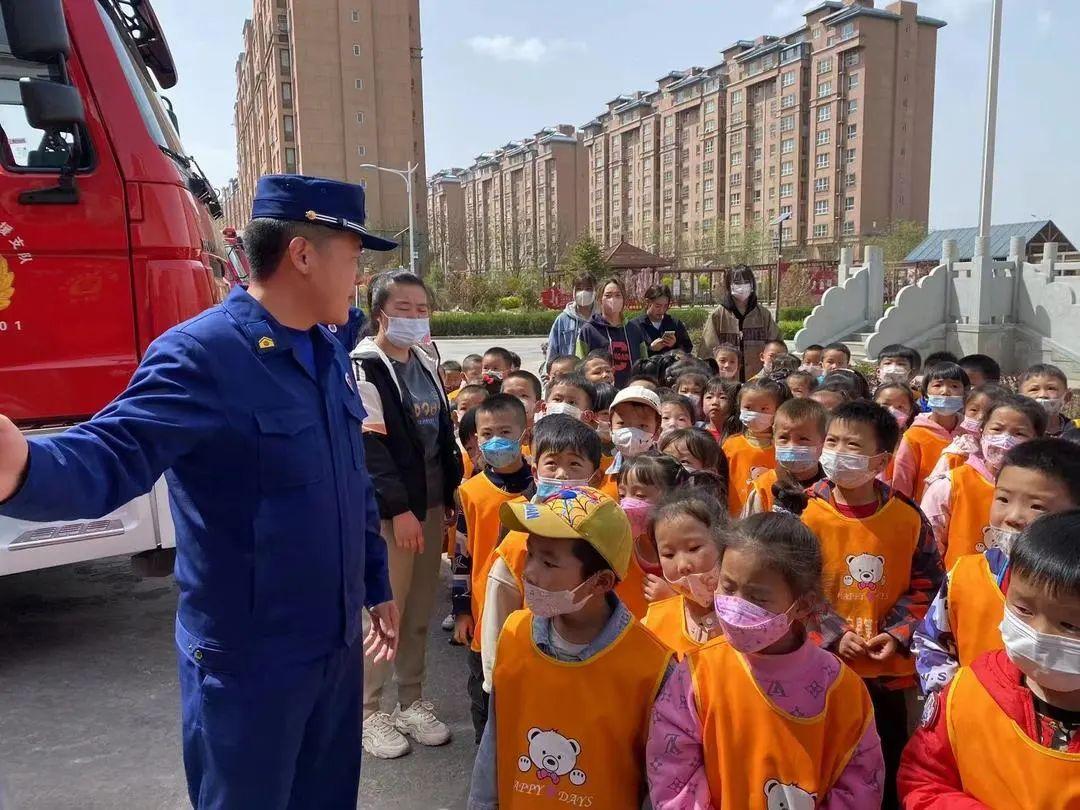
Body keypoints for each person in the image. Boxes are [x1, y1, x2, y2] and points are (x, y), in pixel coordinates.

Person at [0, 175, 401, 806]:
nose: (358, 279)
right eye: (352, 258)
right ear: (302, 254)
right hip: (251, 667)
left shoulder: (325, 350)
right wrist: (21, 467)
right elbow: (115, 451)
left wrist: (375, 586)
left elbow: (349, 484)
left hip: (334, 649)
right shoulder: (204, 355)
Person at [647, 510, 885, 809]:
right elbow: (672, 775)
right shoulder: (697, 675)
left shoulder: (841, 688)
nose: (736, 606)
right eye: (728, 587)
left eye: (758, 597)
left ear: (803, 605)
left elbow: (859, 785)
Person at [468, 487, 673, 810]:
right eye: (531, 553)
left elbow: (658, 785)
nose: (530, 572)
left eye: (549, 563)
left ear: (601, 582)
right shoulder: (513, 634)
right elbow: (494, 744)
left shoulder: (652, 667)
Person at [800, 400, 943, 810]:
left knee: (883, 765)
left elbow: (928, 587)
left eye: (853, 445)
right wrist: (833, 633)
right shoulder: (805, 512)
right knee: (821, 767)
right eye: (832, 441)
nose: (838, 451)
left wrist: (897, 634)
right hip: (819, 668)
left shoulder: (907, 517)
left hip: (886, 676)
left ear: (880, 459)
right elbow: (792, 584)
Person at [898, 509, 1080, 805]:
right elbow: (923, 779)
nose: (1039, 634)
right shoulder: (970, 692)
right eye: (1024, 610)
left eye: (1071, 625)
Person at [354, 269, 463, 759]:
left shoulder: (425, 356)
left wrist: (453, 490)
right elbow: (370, 447)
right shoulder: (365, 365)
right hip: (395, 513)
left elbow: (442, 431)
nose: (415, 318)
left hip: (433, 502)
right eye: (404, 309)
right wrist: (398, 510)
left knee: (419, 609)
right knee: (386, 611)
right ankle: (367, 709)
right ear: (380, 312)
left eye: (422, 309)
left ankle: (411, 700)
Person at [913, 438, 1080, 694]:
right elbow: (931, 641)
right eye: (1002, 499)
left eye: (1037, 506)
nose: (1013, 517)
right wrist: (952, 695)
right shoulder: (964, 575)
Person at [478, 415, 605, 692]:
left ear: (595, 477)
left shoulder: (608, 535)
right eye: (552, 463)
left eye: (574, 464)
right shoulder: (516, 543)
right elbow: (497, 618)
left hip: (598, 676)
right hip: (529, 675)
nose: (561, 474)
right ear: (535, 472)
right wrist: (494, 681)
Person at [453, 394, 533, 743]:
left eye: (505, 430)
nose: (495, 439)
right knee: (484, 698)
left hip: (533, 612)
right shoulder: (470, 491)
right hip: (484, 613)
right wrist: (460, 610)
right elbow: (461, 554)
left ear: (524, 432)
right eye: (486, 434)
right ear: (475, 439)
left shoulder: (543, 485)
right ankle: (487, 769)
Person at [920, 393, 1045, 568]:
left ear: (1037, 441)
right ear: (981, 431)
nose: (1005, 439)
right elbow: (927, 548)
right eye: (997, 429)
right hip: (960, 588)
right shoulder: (950, 484)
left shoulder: (1045, 492)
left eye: (1019, 433)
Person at [643, 490, 728, 658]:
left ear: (724, 542)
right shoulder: (651, 626)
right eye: (668, 554)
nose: (682, 565)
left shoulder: (753, 618)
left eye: (694, 548)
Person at [891, 362, 970, 501]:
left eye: (955, 386)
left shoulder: (970, 432)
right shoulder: (914, 435)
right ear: (926, 394)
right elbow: (902, 481)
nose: (945, 391)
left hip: (963, 506)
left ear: (964, 394)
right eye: (937, 385)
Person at [743, 397, 828, 515]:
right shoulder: (763, 486)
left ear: (823, 442)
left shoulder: (832, 489)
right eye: (783, 438)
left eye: (803, 439)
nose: (792, 446)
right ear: (774, 438)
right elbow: (748, 531)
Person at [699, 265, 781, 381]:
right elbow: (707, 352)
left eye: (746, 281)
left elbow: (776, 347)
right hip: (727, 383)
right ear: (729, 285)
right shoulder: (718, 315)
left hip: (759, 382)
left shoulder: (763, 315)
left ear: (752, 284)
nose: (742, 286)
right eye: (737, 282)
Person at [722, 377, 790, 515]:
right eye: (748, 407)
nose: (755, 413)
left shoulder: (783, 448)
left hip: (769, 517)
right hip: (733, 517)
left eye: (764, 409)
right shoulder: (731, 444)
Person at [576, 276, 648, 389]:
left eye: (618, 295)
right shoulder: (589, 330)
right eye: (608, 295)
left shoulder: (634, 330)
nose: (613, 299)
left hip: (630, 392)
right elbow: (580, 366)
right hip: (600, 394)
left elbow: (644, 364)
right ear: (600, 299)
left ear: (624, 299)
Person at [545, 273, 598, 364]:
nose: (583, 292)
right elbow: (552, 350)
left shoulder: (601, 319)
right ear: (573, 291)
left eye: (588, 289)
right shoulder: (563, 319)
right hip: (569, 374)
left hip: (595, 373)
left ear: (595, 291)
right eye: (579, 289)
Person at [631, 283, 694, 357]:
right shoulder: (635, 326)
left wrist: (675, 345)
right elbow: (630, 354)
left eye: (665, 306)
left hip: (670, 368)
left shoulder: (675, 323)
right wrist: (650, 349)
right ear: (647, 302)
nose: (662, 310)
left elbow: (688, 347)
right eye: (658, 306)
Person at [1019, 363, 1080, 436]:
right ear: (1021, 399)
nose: (1042, 395)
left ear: (1067, 397)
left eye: (1051, 388)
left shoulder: (1075, 431)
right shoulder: (1016, 431)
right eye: (1034, 389)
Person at [702, 376, 740, 444]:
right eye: (709, 397)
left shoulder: (740, 436)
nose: (714, 402)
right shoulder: (697, 432)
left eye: (722, 397)